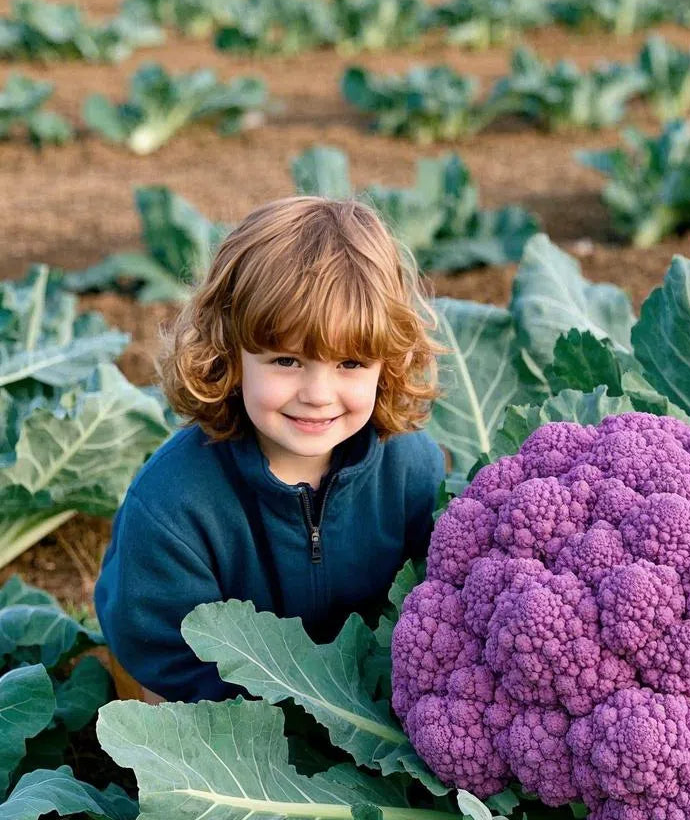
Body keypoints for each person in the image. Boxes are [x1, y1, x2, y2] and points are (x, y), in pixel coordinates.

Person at [94, 196, 446, 703]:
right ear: (229, 353)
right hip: (217, 708)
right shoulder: (173, 504)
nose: (318, 394)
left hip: (366, 703)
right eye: (286, 361)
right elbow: (161, 654)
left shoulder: (412, 471)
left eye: (350, 364)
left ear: (387, 365)